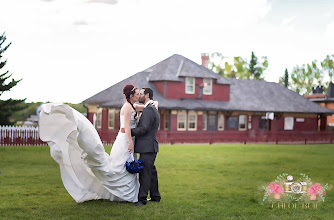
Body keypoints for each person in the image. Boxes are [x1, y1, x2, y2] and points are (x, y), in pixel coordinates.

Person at [38, 84, 145, 203]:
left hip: (127, 139)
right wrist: (130, 142)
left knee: (125, 164)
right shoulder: (128, 108)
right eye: (137, 93)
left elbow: (144, 107)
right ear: (131, 96)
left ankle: (125, 194)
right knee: (120, 166)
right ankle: (124, 195)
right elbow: (126, 128)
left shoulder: (132, 105)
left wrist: (151, 104)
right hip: (125, 139)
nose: (139, 95)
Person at [131, 87, 161, 206]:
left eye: (141, 94)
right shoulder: (150, 108)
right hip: (149, 146)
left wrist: (129, 131)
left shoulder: (149, 109)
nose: (139, 96)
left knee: (145, 173)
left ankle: (142, 199)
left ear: (147, 95)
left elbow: (143, 129)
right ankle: (155, 196)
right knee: (151, 171)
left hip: (147, 147)